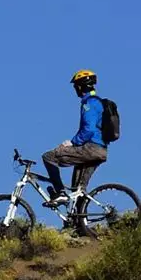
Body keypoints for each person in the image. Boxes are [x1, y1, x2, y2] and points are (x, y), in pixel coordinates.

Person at [43, 70, 109, 220]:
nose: (75, 90)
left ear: (81, 87)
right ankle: (79, 224)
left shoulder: (90, 103)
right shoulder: (98, 102)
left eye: (76, 87)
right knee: (78, 189)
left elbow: (89, 129)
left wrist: (72, 143)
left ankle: (59, 193)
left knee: (48, 156)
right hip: (101, 150)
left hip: (91, 148)